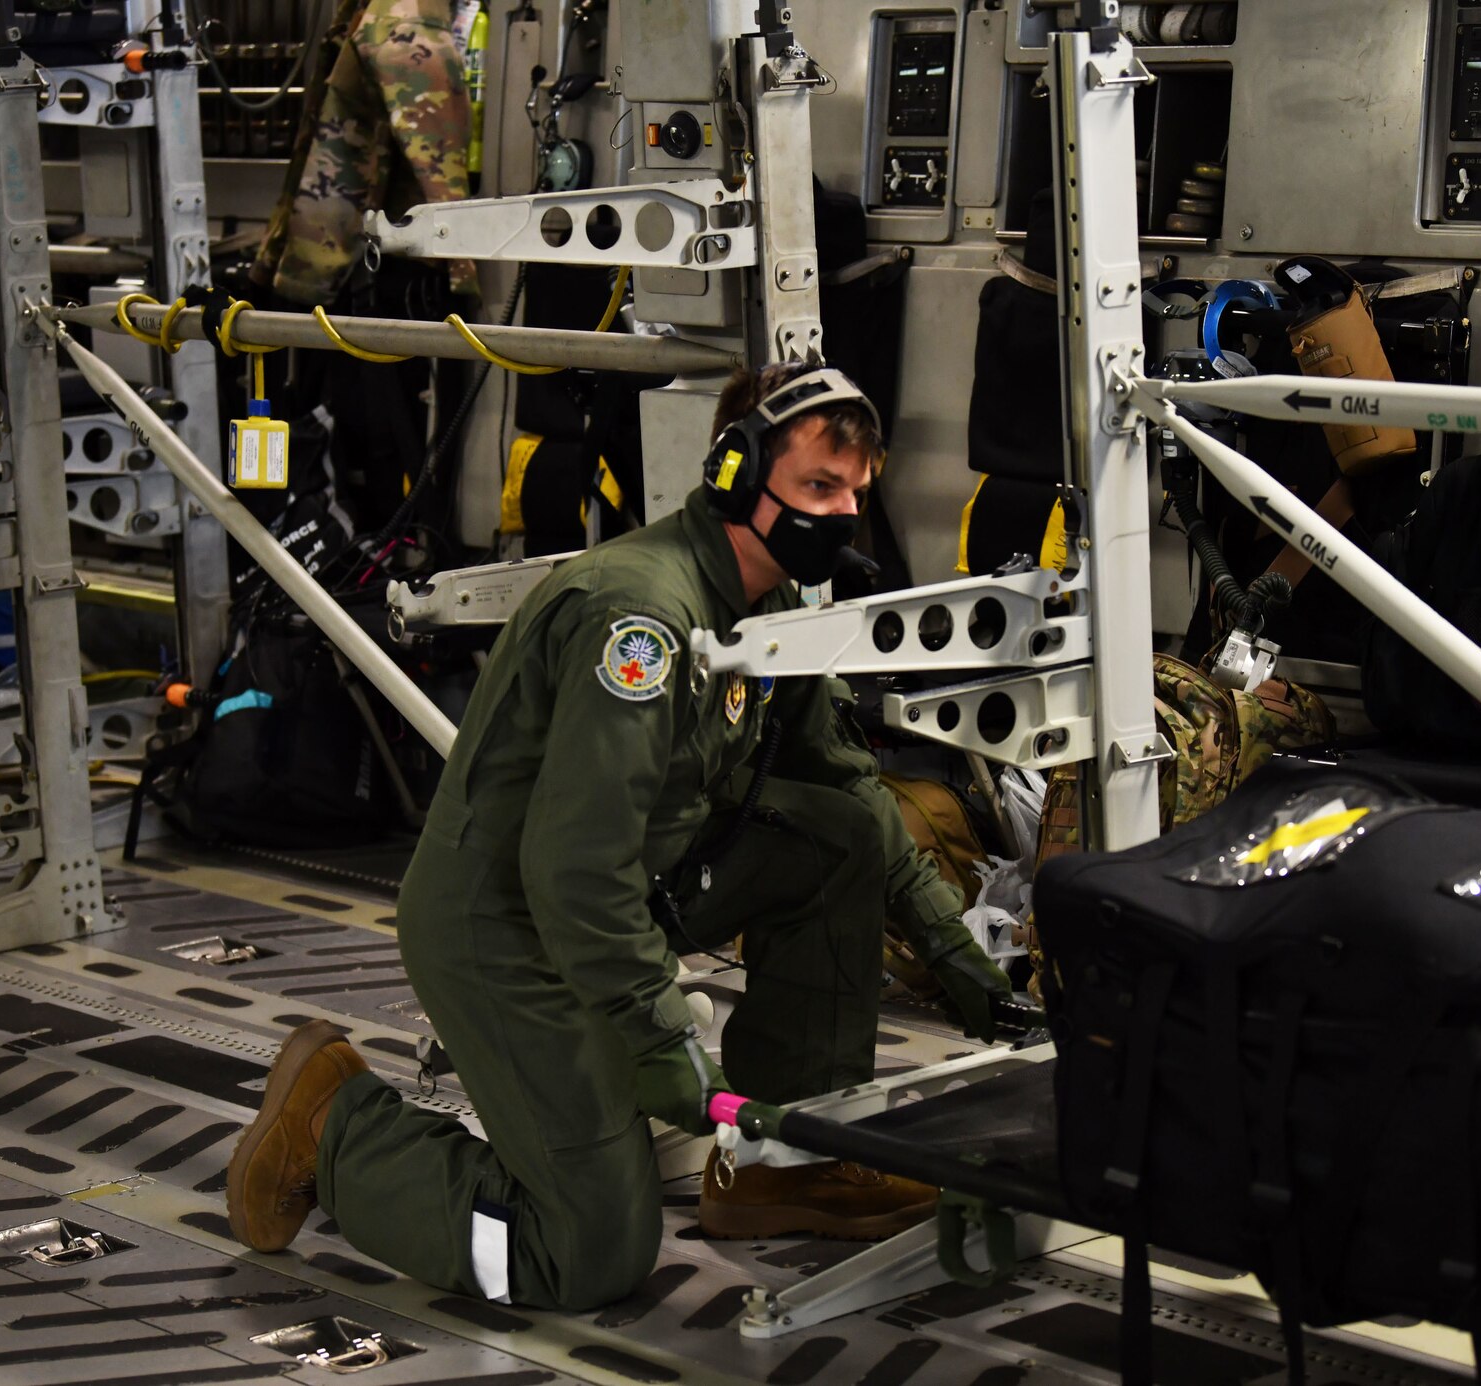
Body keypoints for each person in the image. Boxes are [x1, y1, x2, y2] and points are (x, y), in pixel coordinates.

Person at [225, 363, 1014, 1310]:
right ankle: (336, 1125)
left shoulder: (766, 603)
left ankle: (781, 1166)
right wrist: (663, 1044)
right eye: (817, 487)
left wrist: (959, 962)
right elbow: (574, 875)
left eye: (854, 490)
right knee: (588, 1251)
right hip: (508, 928)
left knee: (836, 834)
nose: (843, 514)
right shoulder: (639, 622)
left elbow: (847, 784)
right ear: (733, 474)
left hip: (632, 893)